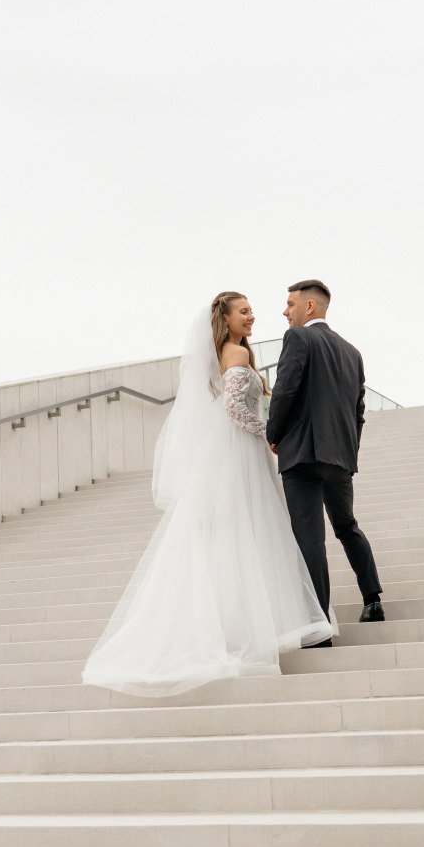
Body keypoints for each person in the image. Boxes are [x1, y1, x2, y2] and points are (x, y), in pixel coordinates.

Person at [81, 292, 335, 697]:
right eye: (244, 311)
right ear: (226, 318)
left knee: (243, 534)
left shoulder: (235, 352)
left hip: (239, 451)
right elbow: (234, 410)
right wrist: (270, 435)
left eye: (251, 310)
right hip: (239, 451)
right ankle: (242, 630)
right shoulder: (234, 354)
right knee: (244, 531)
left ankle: (246, 623)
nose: (252, 316)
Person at [265, 279, 384, 641]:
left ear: (309, 307)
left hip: (302, 455)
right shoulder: (353, 353)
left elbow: (285, 388)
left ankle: (319, 628)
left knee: (310, 540)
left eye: (290, 304)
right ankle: (373, 599)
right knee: (347, 527)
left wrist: (274, 434)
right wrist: (349, 450)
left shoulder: (298, 338)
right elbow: (358, 411)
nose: (285, 311)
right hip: (339, 457)